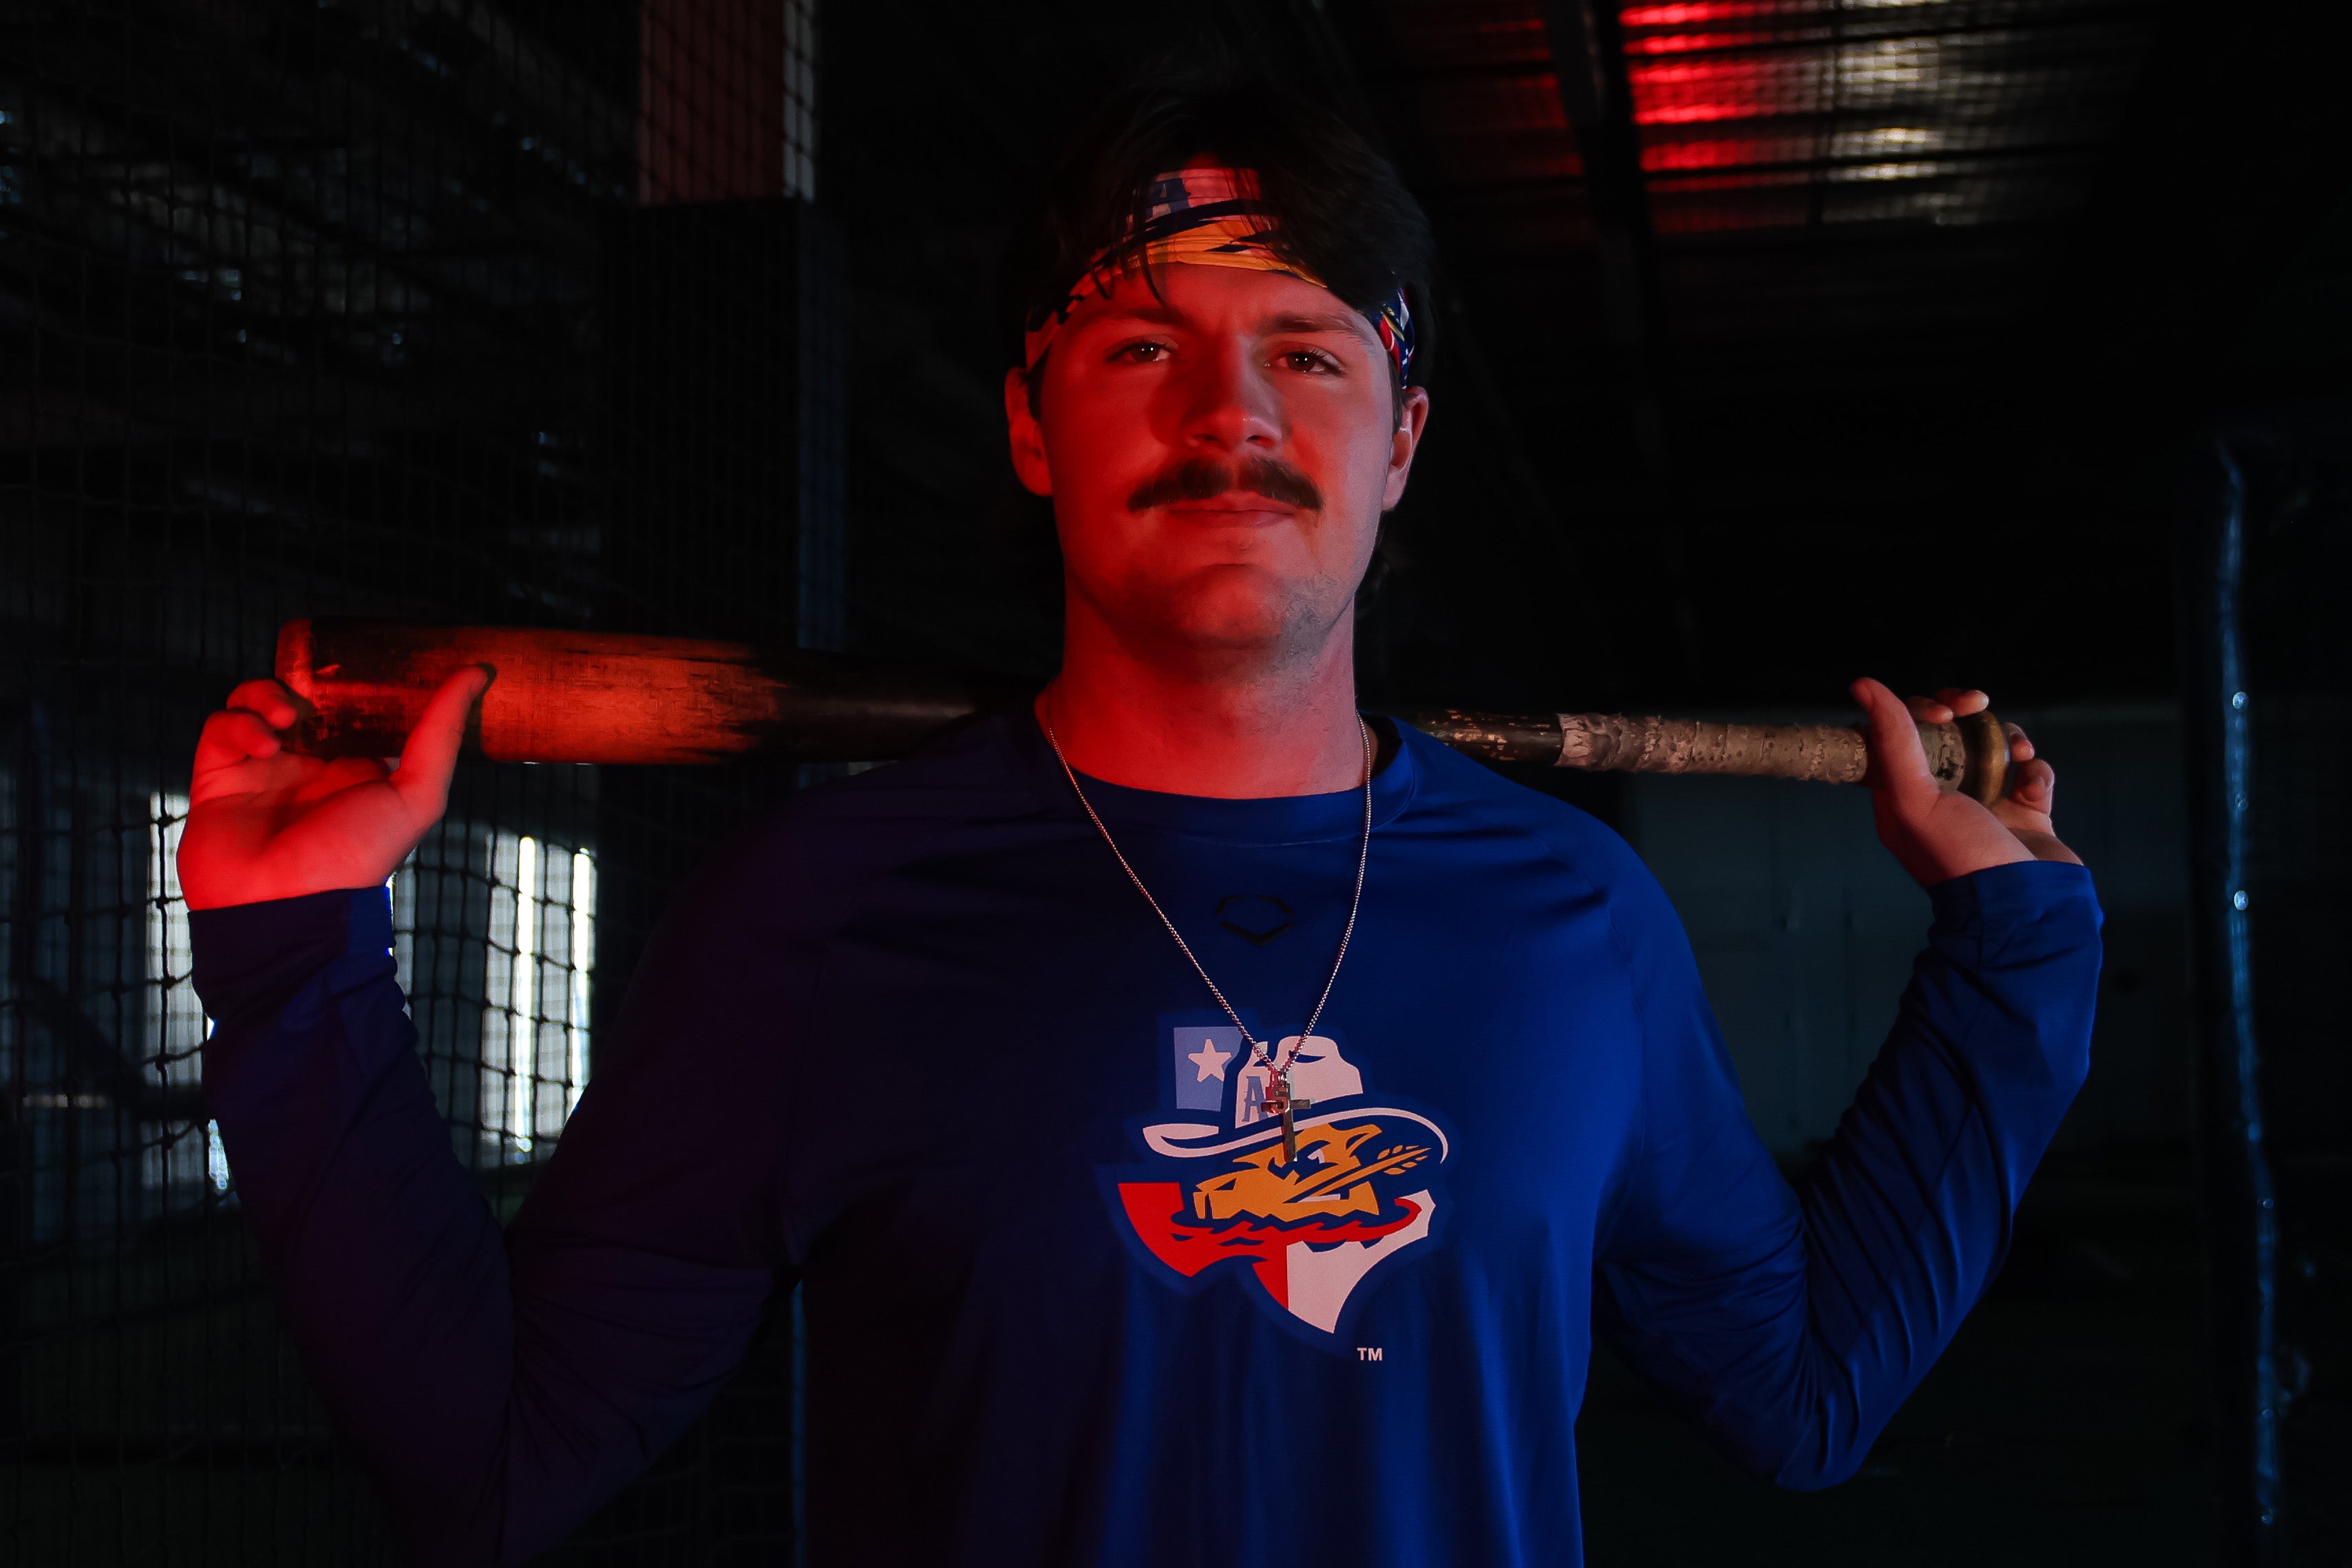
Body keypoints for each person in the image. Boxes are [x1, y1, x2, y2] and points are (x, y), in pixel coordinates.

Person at [182, 81, 2099, 1567]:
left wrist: (2018, 952)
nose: (1228, 410)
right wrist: (291, 959)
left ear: (1401, 438)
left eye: (1309, 349)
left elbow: (1801, 1391)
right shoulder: (814, 918)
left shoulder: (1575, 922)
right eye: (1138, 345)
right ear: (1034, 426)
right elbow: (493, 1467)